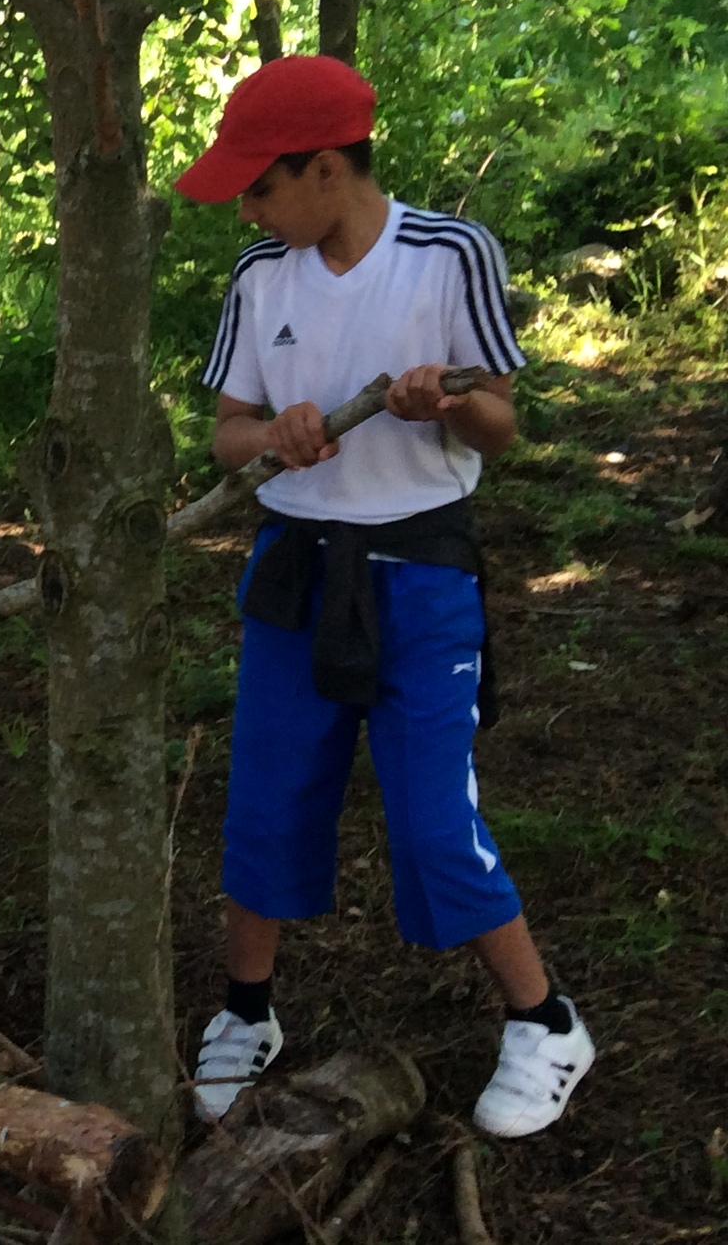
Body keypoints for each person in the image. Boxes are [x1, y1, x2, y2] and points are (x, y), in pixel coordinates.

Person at [175, 55, 591, 1139]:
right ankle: (245, 1012)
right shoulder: (260, 277)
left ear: (326, 168)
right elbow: (225, 434)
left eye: (260, 188)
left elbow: (499, 424)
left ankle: (544, 1021)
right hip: (294, 570)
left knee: (428, 809)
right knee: (266, 796)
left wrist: (443, 404)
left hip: (419, 572)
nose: (249, 212)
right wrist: (270, 434)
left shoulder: (447, 254)